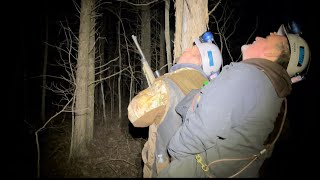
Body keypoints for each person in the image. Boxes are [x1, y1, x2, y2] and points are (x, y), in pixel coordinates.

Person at [156, 24, 310, 178]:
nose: (257, 38)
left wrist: (173, 151)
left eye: (265, 38)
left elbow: (205, 125)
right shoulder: (276, 96)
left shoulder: (248, 76)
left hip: (198, 171)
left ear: (272, 52)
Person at [127, 33, 223, 177]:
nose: (185, 50)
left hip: (165, 170)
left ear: (198, 59)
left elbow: (135, 114)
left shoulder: (167, 84)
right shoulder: (212, 92)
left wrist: (156, 86)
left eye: (192, 50)